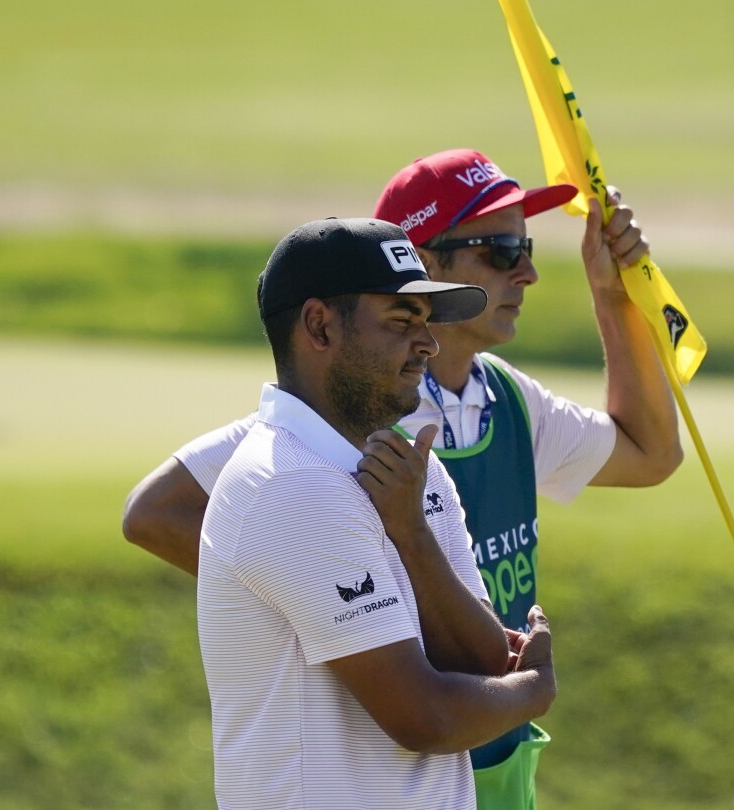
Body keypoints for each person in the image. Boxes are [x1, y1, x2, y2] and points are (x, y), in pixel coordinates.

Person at [123, 149, 682, 808]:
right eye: (500, 250)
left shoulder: (492, 408)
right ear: (425, 258)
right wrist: (329, 604)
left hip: (495, 748)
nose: (526, 271)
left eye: (525, 246)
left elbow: (650, 453)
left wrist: (613, 298)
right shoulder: (306, 454)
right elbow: (154, 512)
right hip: (439, 727)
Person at [196, 216, 556, 809]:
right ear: (319, 326)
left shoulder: (413, 471)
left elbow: (482, 658)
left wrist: (411, 533)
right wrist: (531, 692)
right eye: (401, 319)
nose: (429, 343)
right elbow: (424, 717)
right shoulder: (288, 484)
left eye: (426, 319)